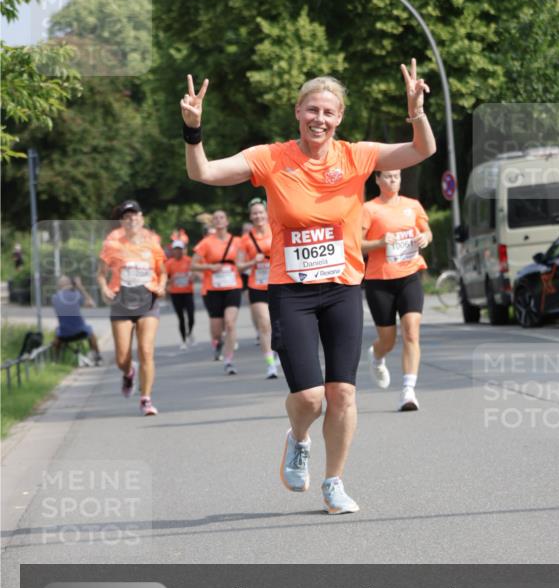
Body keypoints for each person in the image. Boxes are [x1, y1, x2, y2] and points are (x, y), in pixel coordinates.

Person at [181, 59, 436, 515]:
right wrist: (193, 130)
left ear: (339, 119)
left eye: (329, 112)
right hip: (291, 290)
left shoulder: (357, 155)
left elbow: (421, 151)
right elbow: (203, 173)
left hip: (341, 286)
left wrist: (416, 111)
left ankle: (334, 481)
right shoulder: (271, 158)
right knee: (310, 398)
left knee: (343, 393)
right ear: (297, 111)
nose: (320, 118)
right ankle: (298, 438)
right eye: (312, 109)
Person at [361, 170, 433, 411]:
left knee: (411, 332)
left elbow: (426, 231)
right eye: (388, 177)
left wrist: (425, 238)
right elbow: (357, 243)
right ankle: (377, 355)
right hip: (379, 279)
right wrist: (380, 243)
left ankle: (408, 391)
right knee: (388, 340)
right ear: (378, 180)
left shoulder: (412, 206)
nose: (393, 180)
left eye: (397, 176)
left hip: (409, 275)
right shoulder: (369, 209)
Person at [97, 200, 167, 417]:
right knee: (121, 358)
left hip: (148, 300)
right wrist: (103, 289)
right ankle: (128, 373)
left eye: (134, 215)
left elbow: (162, 271)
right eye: (126, 216)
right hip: (122, 301)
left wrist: (162, 286)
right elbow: (100, 273)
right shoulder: (113, 244)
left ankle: (146, 399)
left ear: (141, 218)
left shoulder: (152, 243)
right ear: (122, 222)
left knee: (146, 350)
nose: (131, 219)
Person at [192, 210, 244, 372]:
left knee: (230, 323)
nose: (219, 220)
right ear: (213, 223)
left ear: (227, 222)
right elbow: (193, 265)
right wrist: (209, 266)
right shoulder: (206, 243)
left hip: (233, 286)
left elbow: (242, 263)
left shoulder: (238, 241)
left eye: (222, 217)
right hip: (212, 289)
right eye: (216, 218)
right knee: (216, 330)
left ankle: (228, 360)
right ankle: (218, 341)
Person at [237, 198, 279, 379]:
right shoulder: (245, 240)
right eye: (254, 213)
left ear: (267, 213)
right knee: (264, 324)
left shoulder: (277, 230)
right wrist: (252, 261)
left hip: (279, 283)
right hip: (257, 285)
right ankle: (270, 365)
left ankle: (278, 352)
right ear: (250, 216)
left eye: (261, 212)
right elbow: (238, 265)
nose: (258, 216)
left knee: (280, 325)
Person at [51, 275, 103, 364]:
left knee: (57, 334)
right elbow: (92, 304)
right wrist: (80, 287)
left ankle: (56, 360)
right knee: (91, 332)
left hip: (63, 334)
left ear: (59, 286)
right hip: (80, 332)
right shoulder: (76, 295)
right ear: (70, 284)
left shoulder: (54, 298)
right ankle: (97, 357)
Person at [165, 239, 195, 349]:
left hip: (188, 292)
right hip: (176, 294)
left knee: (191, 316)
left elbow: (194, 274)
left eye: (180, 249)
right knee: (181, 318)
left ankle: (190, 332)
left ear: (183, 250)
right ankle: (183, 340)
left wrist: (192, 277)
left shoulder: (189, 261)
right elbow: (164, 279)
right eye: (176, 249)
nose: (178, 251)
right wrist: (171, 280)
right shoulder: (169, 263)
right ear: (173, 251)